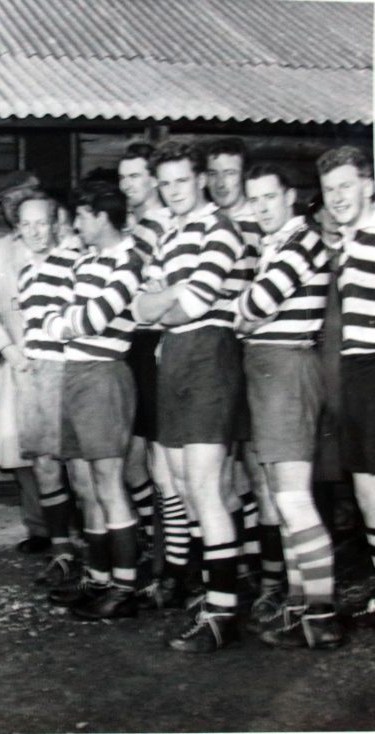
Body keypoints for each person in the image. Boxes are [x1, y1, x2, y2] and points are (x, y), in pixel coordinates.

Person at [131, 141, 246, 653]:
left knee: (203, 484)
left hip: (208, 356)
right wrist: (163, 302)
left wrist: (165, 302)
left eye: (182, 181)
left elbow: (192, 304)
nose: (174, 191)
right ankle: (210, 592)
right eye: (166, 183)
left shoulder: (220, 228)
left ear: (200, 179)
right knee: (178, 480)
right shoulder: (169, 234)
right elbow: (139, 308)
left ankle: (224, 612)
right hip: (172, 356)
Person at [234, 164, 341, 649]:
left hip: (288, 371)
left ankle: (321, 613)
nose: (260, 208)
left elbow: (255, 304)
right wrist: (247, 315)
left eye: (269, 198)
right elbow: (252, 311)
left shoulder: (304, 241)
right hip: (268, 370)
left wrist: (245, 313)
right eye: (253, 199)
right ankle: (301, 607)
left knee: (294, 498)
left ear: (291, 197)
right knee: (283, 497)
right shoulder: (276, 244)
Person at [38, 184, 146, 620]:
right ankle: (99, 578)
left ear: (102, 217)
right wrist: (63, 321)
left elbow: (92, 319)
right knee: (86, 484)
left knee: (108, 482)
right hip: (75, 374)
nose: (76, 226)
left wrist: (62, 322)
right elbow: (50, 306)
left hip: (104, 376)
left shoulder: (129, 259)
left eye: (81, 217)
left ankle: (126, 586)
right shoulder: (87, 260)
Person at [118, 144, 194, 610]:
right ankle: (156, 550)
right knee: (136, 458)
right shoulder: (131, 228)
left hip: (159, 342)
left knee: (170, 466)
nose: (130, 185)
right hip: (131, 344)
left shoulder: (167, 224)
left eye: (137, 176)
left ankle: (178, 568)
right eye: (124, 177)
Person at [204, 137, 268, 597]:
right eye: (214, 173)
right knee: (221, 471)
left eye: (230, 172)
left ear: (244, 174)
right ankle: (239, 564)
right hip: (219, 359)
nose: (221, 182)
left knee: (261, 469)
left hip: (258, 356)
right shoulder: (207, 224)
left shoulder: (262, 223)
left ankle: (272, 578)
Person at [15, 194, 88, 589]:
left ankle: (99, 558)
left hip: (67, 371)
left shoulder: (74, 262)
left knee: (79, 468)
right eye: (26, 225)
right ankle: (62, 552)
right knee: (44, 465)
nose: (34, 231)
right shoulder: (25, 271)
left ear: (55, 223)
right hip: (35, 374)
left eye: (41, 223)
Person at [317, 146, 375, 624]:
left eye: (346, 186)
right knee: (366, 490)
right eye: (329, 189)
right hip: (355, 369)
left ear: (369, 185)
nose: (337, 197)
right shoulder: (350, 241)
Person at [0, 173, 51, 553]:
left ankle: (75, 527)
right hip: (15, 360)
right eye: (7, 203)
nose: (13, 208)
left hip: (58, 359)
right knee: (23, 448)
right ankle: (39, 527)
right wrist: (10, 351)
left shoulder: (56, 243)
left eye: (22, 199)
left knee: (62, 447)